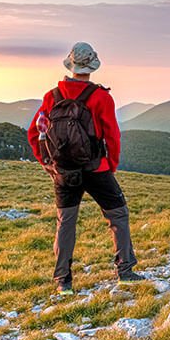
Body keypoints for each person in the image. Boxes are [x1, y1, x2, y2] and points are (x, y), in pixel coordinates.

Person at [27, 42, 142, 295]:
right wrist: (110, 165)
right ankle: (125, 272)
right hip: (96, 168)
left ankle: (63, 281)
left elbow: (34, 132)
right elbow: (112, 136)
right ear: (91, 67)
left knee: (66, 222)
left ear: (71, 65)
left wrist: (47, 163)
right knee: (118, 215)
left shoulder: (52, 96)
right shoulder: (101, 97)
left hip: (63, 171)